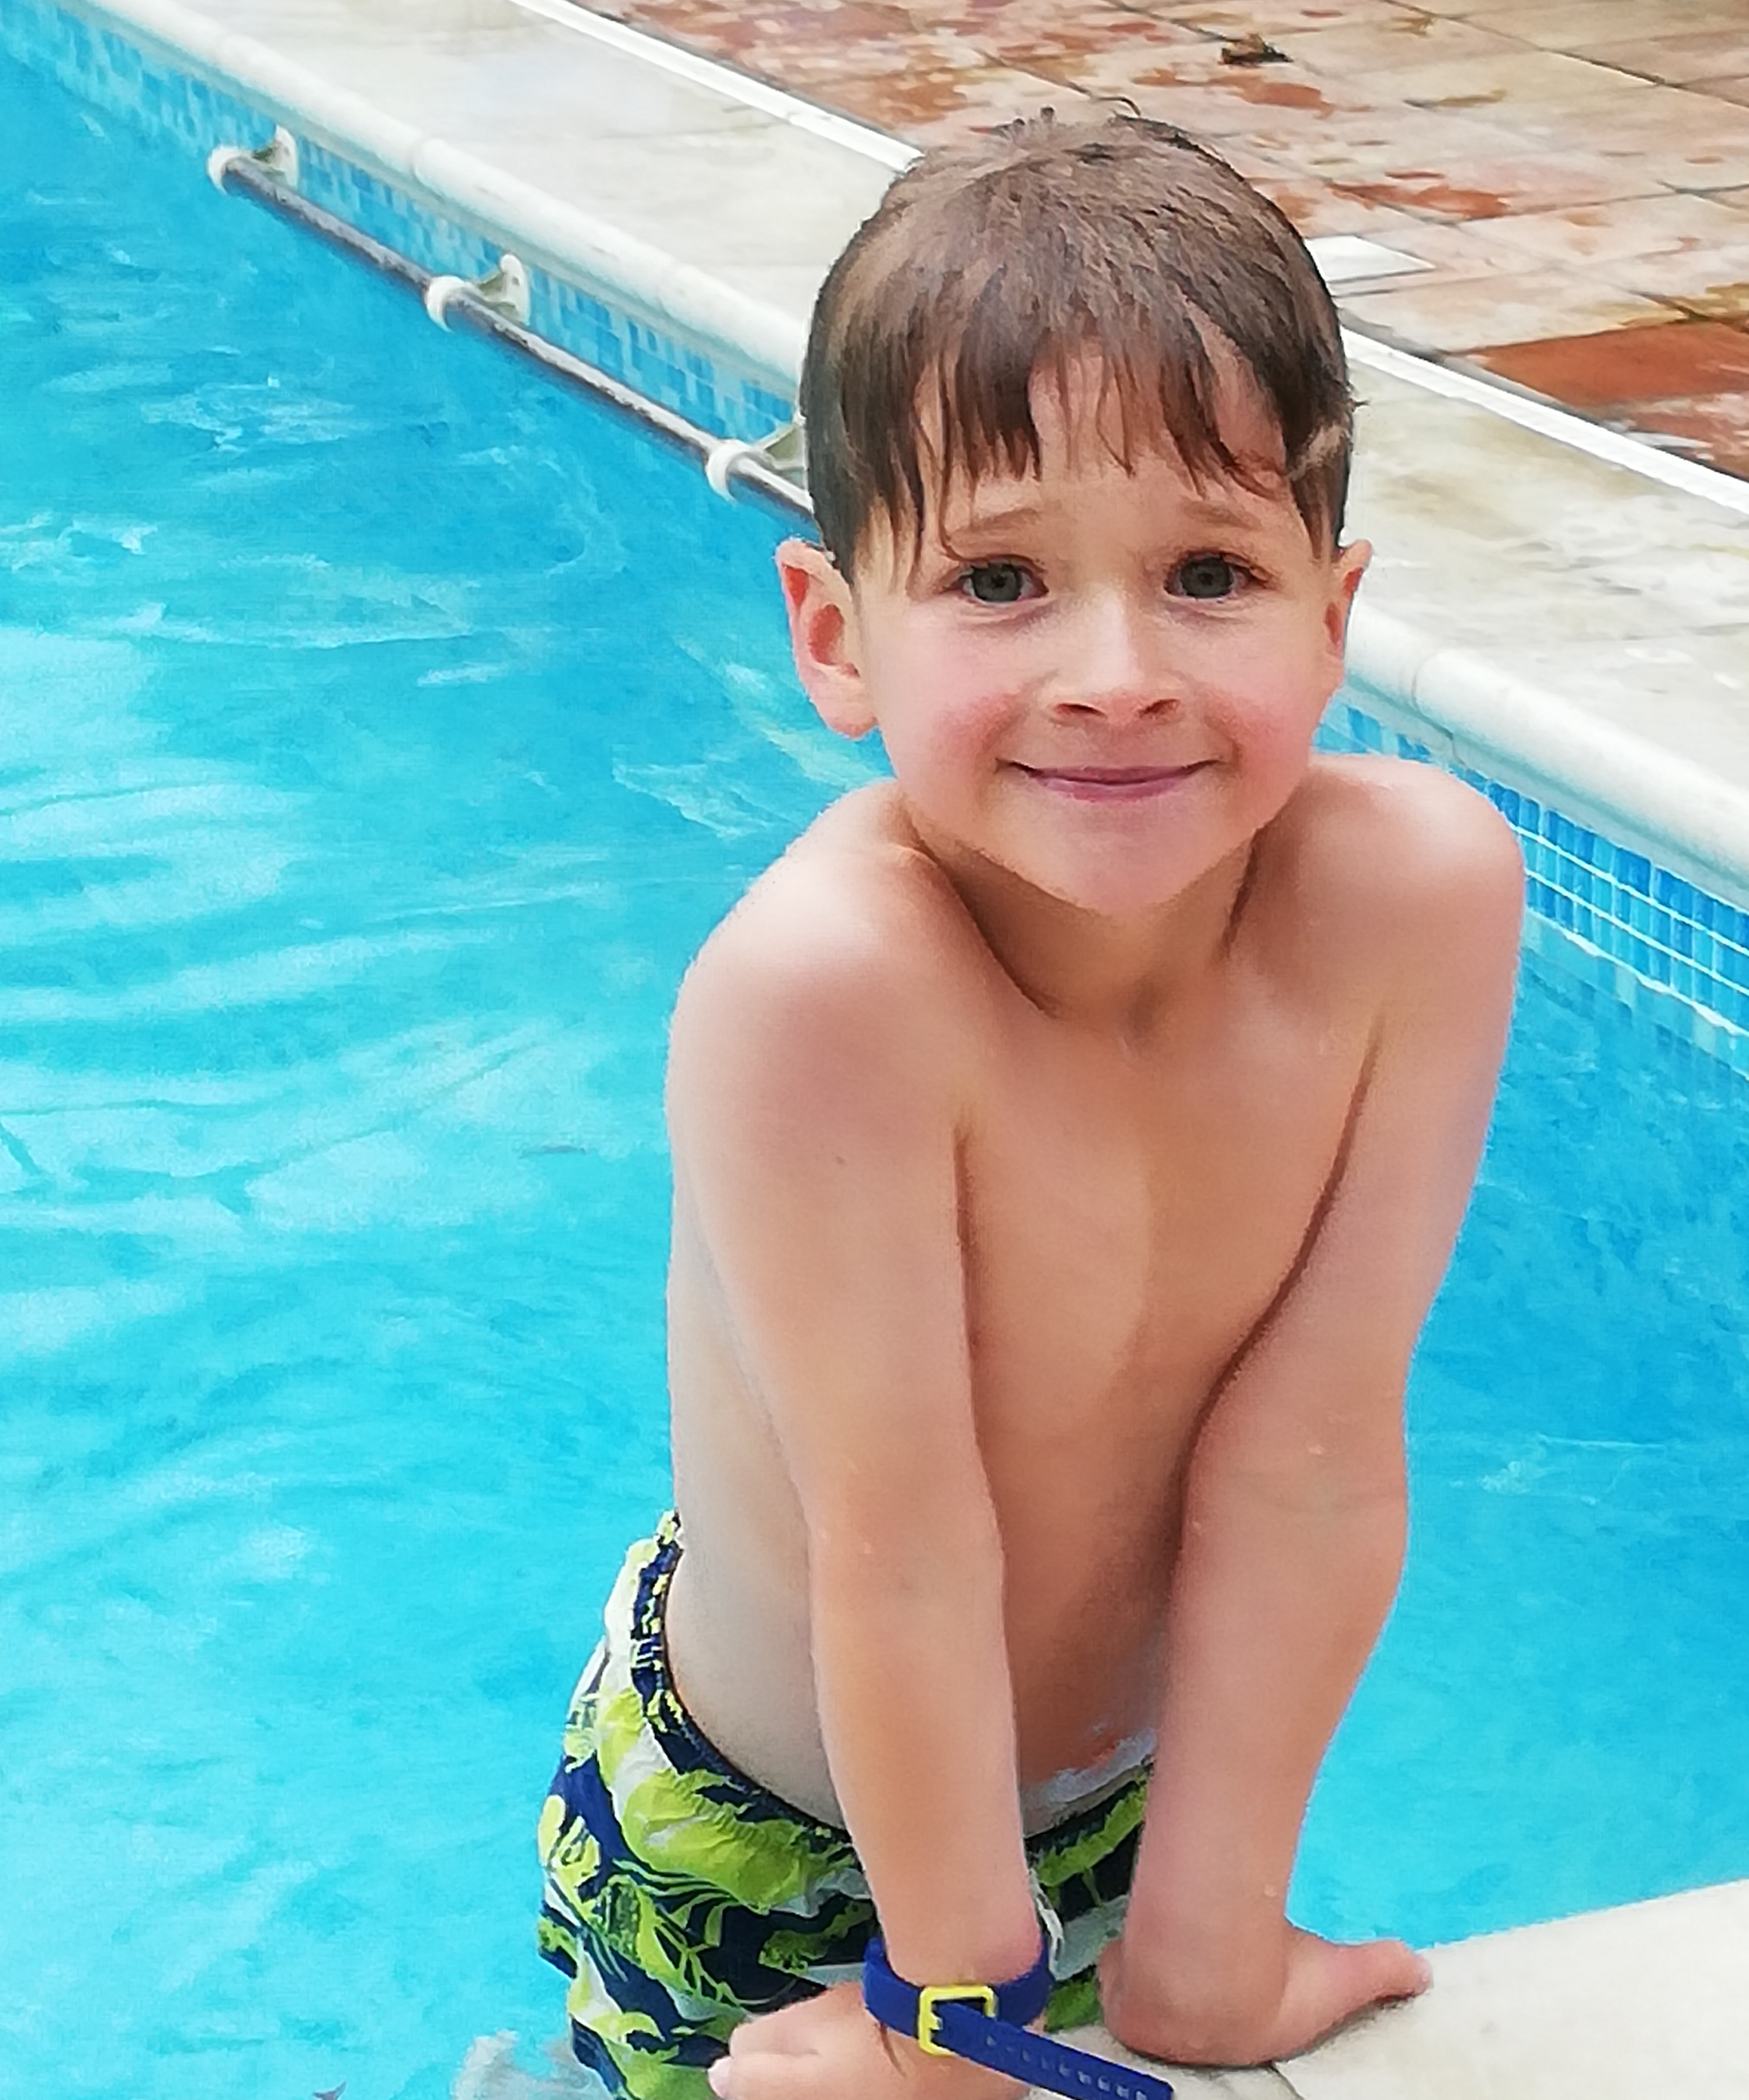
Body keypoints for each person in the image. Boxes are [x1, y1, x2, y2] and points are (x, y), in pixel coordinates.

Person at [535, 113, 1522, 2100]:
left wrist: (1210, 1949)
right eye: (999, 576)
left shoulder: (1419, 901)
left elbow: (1318, 1442)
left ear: (1331, 621)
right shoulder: (827, 998)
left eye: (1208, 573)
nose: (1116, 671)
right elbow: (895, 1548)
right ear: (836, 634)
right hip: (780, 1823)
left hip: (1117, 1790)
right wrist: (946, 2024)